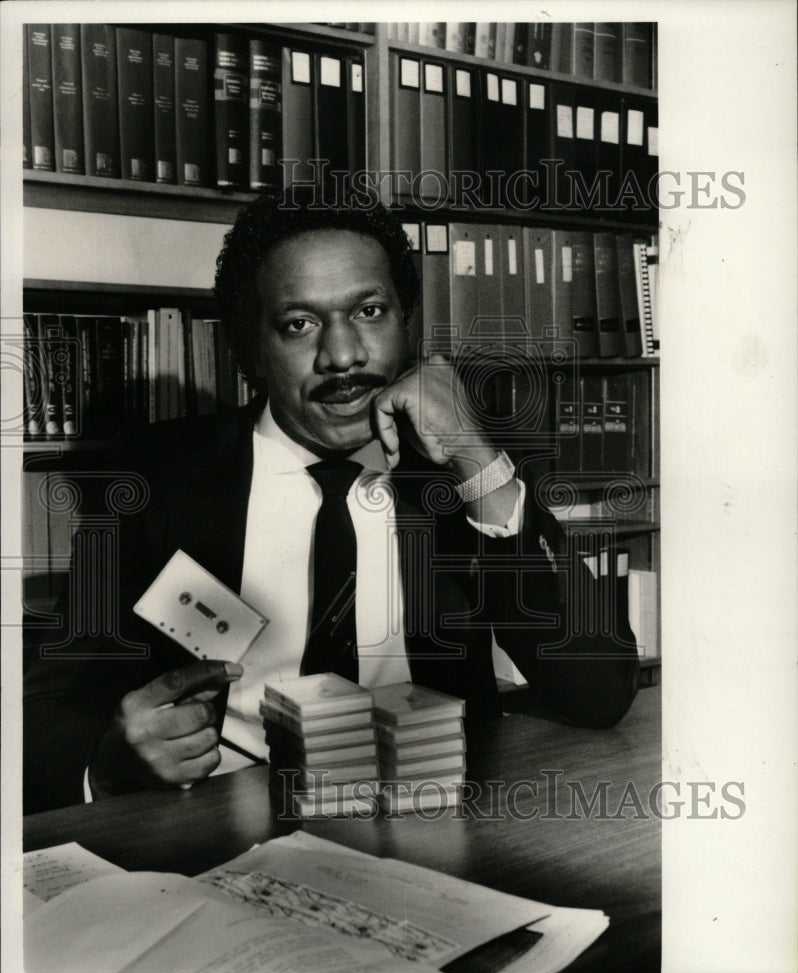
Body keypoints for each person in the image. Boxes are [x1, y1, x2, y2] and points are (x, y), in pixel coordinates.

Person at [23, 194, 640, 814]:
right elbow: (53, 701)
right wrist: (105, 765)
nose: (343, 356)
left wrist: (478, 462)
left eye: (369, 311)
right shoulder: (159, 478)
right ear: (250, 349)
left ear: (408, 322)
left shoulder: (464, 468)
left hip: (435, 821)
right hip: (224, 824)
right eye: (300, 323)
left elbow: (598, 693)